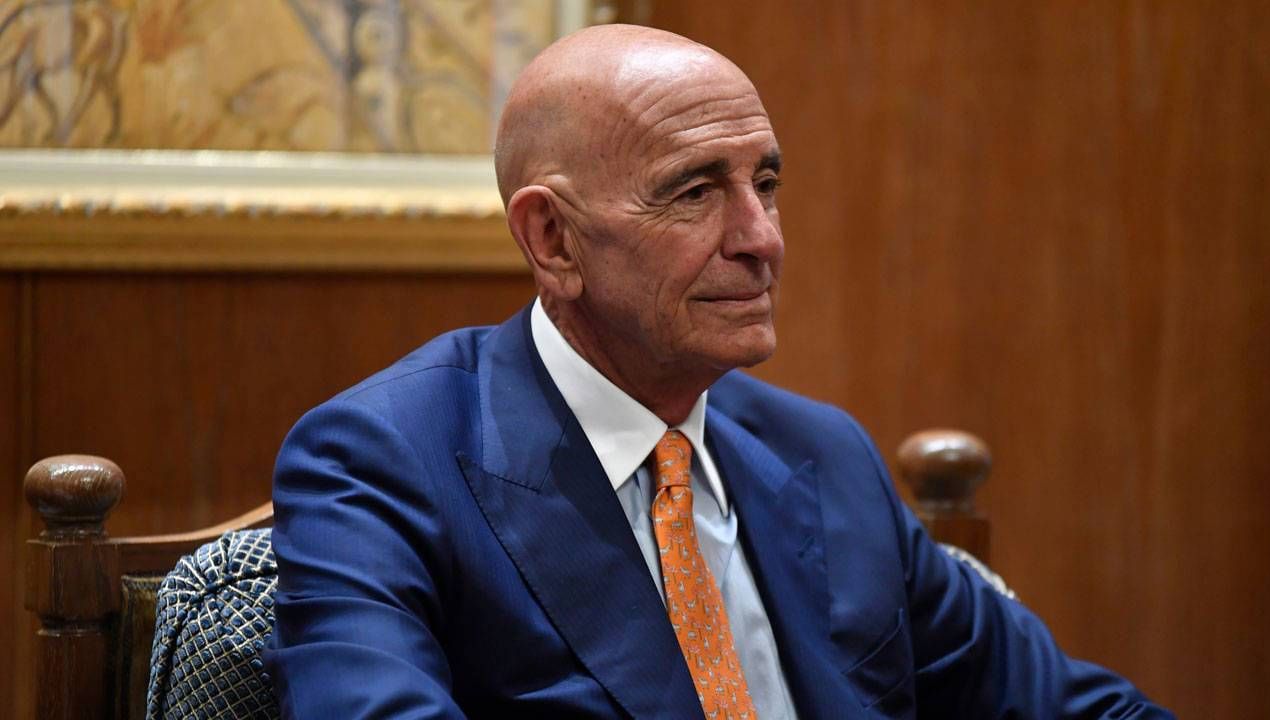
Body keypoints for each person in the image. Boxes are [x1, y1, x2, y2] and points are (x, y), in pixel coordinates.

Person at [264, 24, 1172, 719]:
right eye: (695, 192)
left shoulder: (822, 456)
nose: (761, 240)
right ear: (554, 240)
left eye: (765, 185)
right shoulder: (383, 461)